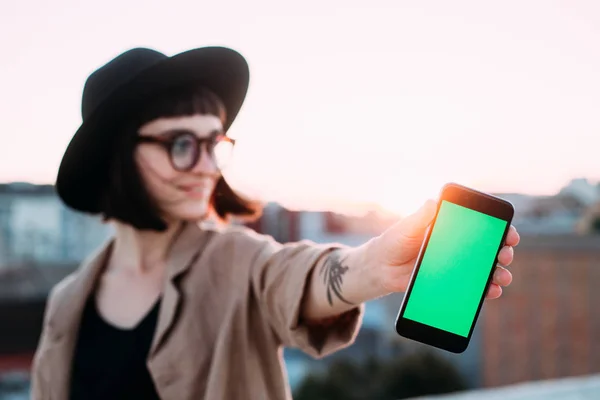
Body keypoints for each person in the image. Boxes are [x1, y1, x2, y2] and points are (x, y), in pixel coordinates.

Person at [30, 46, 520, 400]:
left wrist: (372, 266)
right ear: (118, 157)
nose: (206, 167)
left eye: (214, 143)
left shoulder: (238, 261)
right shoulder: (66, 304)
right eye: (182, 144)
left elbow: (294, 276)